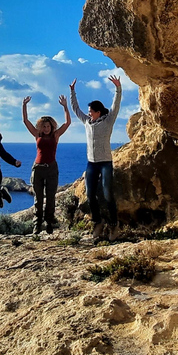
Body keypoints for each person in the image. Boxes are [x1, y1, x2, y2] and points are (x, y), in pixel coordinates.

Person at [70, 75, 122, 241]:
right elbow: (76, 109)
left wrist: (118, 88)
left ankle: (114, 226)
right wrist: (72, 93)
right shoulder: (87, 122)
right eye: (88, 111)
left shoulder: (108, 121)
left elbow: (115, 106)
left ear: (98, 112)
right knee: (91, 195)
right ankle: (97, 222)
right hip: (91, 164)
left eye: (91, 111)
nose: (88, 113)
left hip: (105, 163)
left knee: (108, 194)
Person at [22, 95, 71, 234]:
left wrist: (65, 107)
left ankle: (49, 222)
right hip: (38, 168)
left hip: (52, 168)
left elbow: (67, 123)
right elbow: (25, 121)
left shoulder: (56, 135)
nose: (46, 128)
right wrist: (24, 105)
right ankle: (37, 224)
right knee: (38, 198)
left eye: (48, 125)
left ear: (52, 126)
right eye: (44, 126)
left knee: (50, 197)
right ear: (40, 127)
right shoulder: (37, 135)